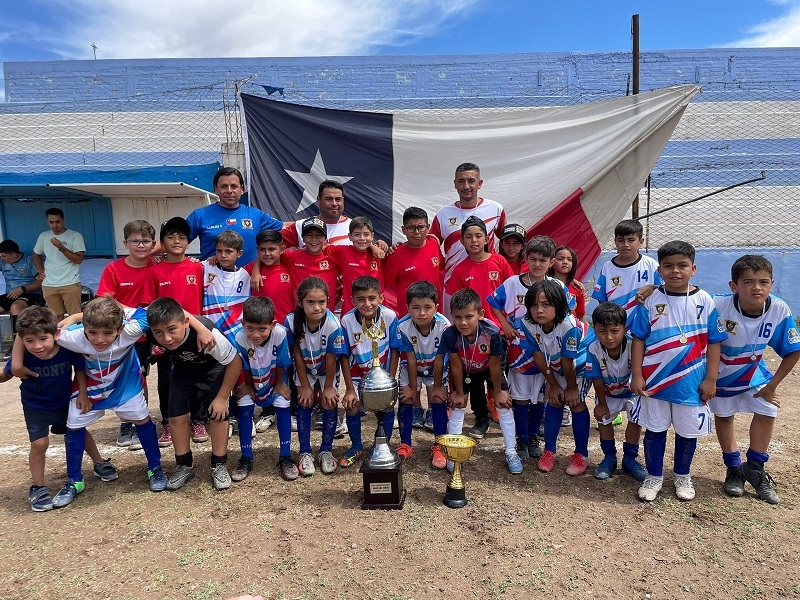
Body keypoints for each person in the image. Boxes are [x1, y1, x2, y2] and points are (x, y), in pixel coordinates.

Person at [11, 297, 169, 506]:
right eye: (92, 332)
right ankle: (74, 480)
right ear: (84, 327)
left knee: (141, 419)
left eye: (107, 333)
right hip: (91, 388)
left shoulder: (132, 329)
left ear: (120, 329)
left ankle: (155, 468)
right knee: (74, 424)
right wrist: (16, 363)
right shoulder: (70, 336)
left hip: (125, 384)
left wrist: (76, 315)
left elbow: (157, 310)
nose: (99, 340)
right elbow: (28, 330)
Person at [630, 240, 727, 502]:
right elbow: (639, 338)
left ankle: (682, 475)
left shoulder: (704, 300)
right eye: (668, 266)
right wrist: (637, 374)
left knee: (687, 431)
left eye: (682, 266)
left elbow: (715, 341)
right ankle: (654, 476)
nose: (675, 271)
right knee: (654, 429)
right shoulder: (650, 299)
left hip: (691, 381)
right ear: (659, 270)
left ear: (693, 269)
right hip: (655, 381)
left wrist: (710, 378)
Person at [0, 306, 116, 511]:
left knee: (78, 430)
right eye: (29, 341)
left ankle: (99, 462)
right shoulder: (23, 357)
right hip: (35, 405)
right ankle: (38, 487)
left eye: (43, 339)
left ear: (54, 334)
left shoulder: (66, 349)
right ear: (22, 340)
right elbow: (7, 374)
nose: (37, 346)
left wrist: (82, 393)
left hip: (64, 402)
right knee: (39, 443)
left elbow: (80, 369)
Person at [708, 255, 800, 504]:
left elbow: (793, 350)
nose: (756, 288)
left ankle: (755, 467)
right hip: (721, 374)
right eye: (748, 282)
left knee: (768, 408)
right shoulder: (716, 304)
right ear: (733, 286)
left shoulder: (779, 308)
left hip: (753, 372)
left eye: (763, 282)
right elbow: (684, 297)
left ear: (772, 284)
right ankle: (734, 468)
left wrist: (772, 386)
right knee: (724, 415)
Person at [146, 297, 242, 491]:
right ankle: (184, 464)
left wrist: (223, 398)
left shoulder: (209, 336)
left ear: (186, 323)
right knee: (175, 417)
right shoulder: (151, 326)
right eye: (159, 333)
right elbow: (122, 316)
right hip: (183, 370)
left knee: (218, 414)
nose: (166, 339)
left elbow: (235, 362)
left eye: (172, 330)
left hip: (212, 369)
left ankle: (219, 464)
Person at [520, 279, 595, 475]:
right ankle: (549, 450)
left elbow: (568, 360)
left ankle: (581, 454)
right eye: (534, 305)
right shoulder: (527, 323)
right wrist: (552, 384)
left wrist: (571, 388)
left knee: (575, 402)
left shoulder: (569, 325)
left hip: (579, 364)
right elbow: (537, 353)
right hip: (556, 365)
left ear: (559, 305)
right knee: (554, 401)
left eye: (546, 304)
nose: (539, 310)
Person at [96, 220, 157, 451]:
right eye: (135, 240)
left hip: (148, 335)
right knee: (121, 377)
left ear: (153, 244)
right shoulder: (113, 269)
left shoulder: (156, 267)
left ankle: (142, 419)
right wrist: (133, 313)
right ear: (125, 243)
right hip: (121, 335)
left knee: (141, 377)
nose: (140, 245)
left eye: (145, 241)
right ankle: (125, 425)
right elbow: (105, 298)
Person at [147, 217, 208, 446]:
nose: (176, 241)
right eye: (170, 237)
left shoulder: (197, 267)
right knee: (168, 379)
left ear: (188, 242)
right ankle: (168, 422)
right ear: (161, 242)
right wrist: (155, 338)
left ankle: (198, 420)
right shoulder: (155, 270)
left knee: (199, 378)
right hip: (166, 336)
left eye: (182, 237)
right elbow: (149, 307)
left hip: (194, 333)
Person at [440, 289, 514, 471]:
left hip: (489, 366)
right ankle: (453, 453)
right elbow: (455, 366)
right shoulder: (450, 335)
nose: (463, 322)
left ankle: (512, 452)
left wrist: (498, 391)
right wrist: (458, 392)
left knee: (503, 402)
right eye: (457, 317)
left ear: (480, 315)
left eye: (469, 317)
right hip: (466, 368)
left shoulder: (492, 333)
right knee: (458, 403)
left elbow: (496, 365)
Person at [285, 278, 348, 476]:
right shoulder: (290, 321)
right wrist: (304, 385)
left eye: (321, 302)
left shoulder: (333, 324)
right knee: (304, 401)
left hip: (326, 369)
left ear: (328, 301)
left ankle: (326, 450)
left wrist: (328, 387)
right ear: (300, 303)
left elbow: (332, 359)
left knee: (329, 401)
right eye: (310, 302)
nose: (317, 307)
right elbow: (296, 354)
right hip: (304, 366)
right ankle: (305, 451)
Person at [339, 276, 403, 469]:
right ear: (352, 300)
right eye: (361, 299)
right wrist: (350, 389)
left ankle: (384, 445)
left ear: (381, 298)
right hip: (359, 376)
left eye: (372, 298)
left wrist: (389, 381)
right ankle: (356, 446)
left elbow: (395, 349)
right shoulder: (347, 320)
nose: (367, 304)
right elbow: (344, 356)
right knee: (352, 406)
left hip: (383, 375)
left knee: (387, 406)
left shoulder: (390, 317)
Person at [232, 297, 293, 481]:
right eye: (250, 328)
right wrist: (249, 385)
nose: (255, 335)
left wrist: (279, 384)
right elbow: (244, 366)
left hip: (276, 379)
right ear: (243, 323)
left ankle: (285, 456)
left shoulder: (280, 333)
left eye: (262, 329)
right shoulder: (239, 337)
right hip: (251, 380)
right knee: (244, 405)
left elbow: (282, 362)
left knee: (283, 405)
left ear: (273, 325)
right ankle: (246, 457)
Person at [585, 302, 646, 481]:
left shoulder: (633, 345)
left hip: (631, 393)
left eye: (614, 331)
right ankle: (609, 457)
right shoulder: (593, 349)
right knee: (604, 420)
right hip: (607, 393)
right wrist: (601, 403)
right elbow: (596, 378)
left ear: (624, 329)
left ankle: (629, 460)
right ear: (594, 329)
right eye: (602, 332)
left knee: (635, 420)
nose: (609, 337)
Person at [187, 166, 286, 267]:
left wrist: (303, 225)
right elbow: (175, 241)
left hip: (249, 279)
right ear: (216, 189)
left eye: (234, 186)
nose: (229, 191)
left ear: (242, 189)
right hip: (213, 280)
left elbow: (286, 227)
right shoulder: (200, 216)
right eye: (224, 186)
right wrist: (188, 262)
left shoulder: (256, 215)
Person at [398, 281, 451, 468]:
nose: (422, 313)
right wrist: (412, 389)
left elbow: (440, 358)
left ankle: (439, 445)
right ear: (407, 308)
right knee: (405, 398)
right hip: (411, 368)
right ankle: (405, 444)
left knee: (437, 399)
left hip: (435, 368)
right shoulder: (402, 326)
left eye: (427, 307)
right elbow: (410, 358)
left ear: (436, 307)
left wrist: (437, 386)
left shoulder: (444, 325)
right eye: (416, 308)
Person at [430, 163, 507, 289]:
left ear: (480, 183)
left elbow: (508, 242)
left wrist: (501, 264)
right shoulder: (443, 213)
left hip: (486, 281)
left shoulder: (496, 209)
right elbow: (429, 244)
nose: (466, 186)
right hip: (452, 283)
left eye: (471, 181)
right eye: (461, 181)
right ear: (455, 184)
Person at [445, 216, 513, 328]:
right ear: (462, 241)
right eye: (468, 237)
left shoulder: (499, 261)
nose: (474, 240)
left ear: (486, 239)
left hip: (501, 328)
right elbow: (453, 301)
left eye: (478, 236)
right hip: (472, 329)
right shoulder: (460, 269)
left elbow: (512, 291)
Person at [383, 207, 444, 320]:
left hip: (434, 314)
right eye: (411, 228)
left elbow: (441, 267)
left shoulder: (434, 243)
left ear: (428, 228)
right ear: (403, 229)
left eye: (421, 227)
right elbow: (385, 285)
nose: (416, 232)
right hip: (408, 317)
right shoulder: (395, 254)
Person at [592, 219, 662, 316]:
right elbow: (602, 300)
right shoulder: (608, 267)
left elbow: (663, 291)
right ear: (615, 242)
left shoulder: (651, 265)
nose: (625, 244)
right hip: (617, 325)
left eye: (631, 240)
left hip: (644, 324)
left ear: (641, 241)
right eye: (621, 240)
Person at [326, 217, 385, 316]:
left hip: (377, 309)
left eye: (366, 234)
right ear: (350, 236)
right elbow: (319, 248)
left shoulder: (380, 254)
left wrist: (375, 246)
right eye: (357, 234)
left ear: (372, 236)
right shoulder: (342, 252)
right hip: (351, 312)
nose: (362, 238)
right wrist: (372, 245)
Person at [32, 207, 86, 316]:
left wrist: (61, 247)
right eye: (51, 222)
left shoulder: (75, 235)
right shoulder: (44, 236)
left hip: (70, 282)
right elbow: (36, 254)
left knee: (75, 316)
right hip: (49, 283)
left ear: (64, 220)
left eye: (58, 222)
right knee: (55, 317)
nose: (55, 225)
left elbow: (78, 259)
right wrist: (40, 270)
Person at [202, 230, 250, 341]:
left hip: (237, 333)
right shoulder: (207, 267)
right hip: (210, 332)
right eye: (219, 251)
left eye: (228, 251)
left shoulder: (247, 274)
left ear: (239, 253)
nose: (223, 255)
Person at [0, 239, 45, 347]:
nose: (2, 258)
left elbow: (41, 282)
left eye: (4, 256)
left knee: (16, 307)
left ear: (14, 254)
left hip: (31, 294)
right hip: (10, 294)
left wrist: (22, 289)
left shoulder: (29, 261)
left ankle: (18, 344)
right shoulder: (2, 262)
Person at [281, 180, 352, 248]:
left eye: (338, 199)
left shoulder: (356, 227)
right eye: (328, 199)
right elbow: (272, 243)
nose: (334, 203)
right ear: (319, 199)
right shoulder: (300, 226)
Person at [548, 246, 586, 323]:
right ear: (552, 263)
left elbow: (581, 315)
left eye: (569, 259)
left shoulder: (577, 288)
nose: (565, 262)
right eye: (560, 259)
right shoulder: (545, 284)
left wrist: (584, 332)